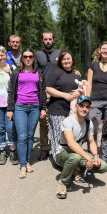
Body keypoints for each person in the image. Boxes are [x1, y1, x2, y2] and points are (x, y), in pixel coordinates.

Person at [55, 96, 107, 199]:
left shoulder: (89, 123)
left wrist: (95, 156)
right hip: (62, 153)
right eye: (82, 106)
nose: (84, 109)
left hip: (77, 153)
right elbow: (71, 143)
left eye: (87, 107)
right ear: (76, 106)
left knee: (103, 167)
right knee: (76, 157)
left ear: (89, 109)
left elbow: (92, 141)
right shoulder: (68, 121)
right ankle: (63, 183)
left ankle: (77, 170)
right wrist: (88, 158)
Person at [7, 49, 47, 179]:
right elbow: (11, 92)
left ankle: (27, 160)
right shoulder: (16, 73)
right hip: (20, 107)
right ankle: (23, 165)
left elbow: (42, 91)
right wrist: (10, 109)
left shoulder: (38, 73)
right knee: (22, 136)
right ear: (22, 58)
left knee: (30, 136)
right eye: (25, 56)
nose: (28, 59)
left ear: (33, 58)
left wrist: (43, 108)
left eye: (30, 56)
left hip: (35, 107)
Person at [86, 41, 107, 163]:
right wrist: (87, 100)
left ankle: (104, 158)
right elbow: (89, 84)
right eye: (103, 48)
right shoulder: (92, 66)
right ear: (99, 50)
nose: (105, 51)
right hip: (95, 102)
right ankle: (92, 157)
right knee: (92, 130)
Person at [45, 51, 81, 161]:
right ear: (60, 61)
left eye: (68, 58)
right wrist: (64, 95)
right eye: (64, 59)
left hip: (73, 112)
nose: (66, 61)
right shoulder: (56, 73)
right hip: (57, 110)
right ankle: (58, 159)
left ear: (72, 60)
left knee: (71, 137)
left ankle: (70, 159)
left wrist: (78, 93)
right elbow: (48, 88)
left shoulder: (76, 74)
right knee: (58, 136)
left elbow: (81, 89)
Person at [35, 31, 62, 161]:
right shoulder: (38, 55)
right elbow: (32, 70)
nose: (48, 41)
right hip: (43, 91)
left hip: (58, 92)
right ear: (42, 41)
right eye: (45, 39)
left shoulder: (60, 54)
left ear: (53, 40)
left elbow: (67, 67)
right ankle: (44, 148)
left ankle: (60, 147)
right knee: (44, 122)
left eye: (50, 39)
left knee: (58, 121)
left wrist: (77, 72)